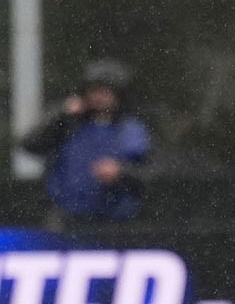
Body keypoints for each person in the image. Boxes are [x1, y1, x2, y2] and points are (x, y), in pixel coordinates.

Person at [20, 59, 151, 232]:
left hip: (118, 223)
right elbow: (30, 144)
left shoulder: (135, 130)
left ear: (119, 95)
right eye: (95, 90)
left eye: (107, 91)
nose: (100, 97)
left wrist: (122, 173)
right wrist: (61, 114)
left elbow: (155, 174)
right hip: (67, 220)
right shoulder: (68, 124)